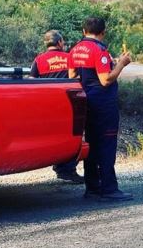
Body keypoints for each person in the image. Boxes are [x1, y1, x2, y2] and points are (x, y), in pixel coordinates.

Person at [68, 17, 133, 201]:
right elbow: (106, 79)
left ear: (83, 31)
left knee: (92, 144)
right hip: (103, 106)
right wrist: (122, 63)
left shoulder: (74, 50)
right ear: (103, 33)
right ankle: (109, 189)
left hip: (85, 104)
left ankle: (92, 188)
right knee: (106, 145)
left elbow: (72, 77)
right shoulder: (99, 51)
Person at [30, 30, 84, 184]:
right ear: (60, 42)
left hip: (46, 106)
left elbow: (31, 81)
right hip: (68, 103)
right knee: (71, 137)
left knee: (53, 137)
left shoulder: (39, 60)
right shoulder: (69, 58)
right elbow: (79, 77)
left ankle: (60, 167)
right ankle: (67, 169)